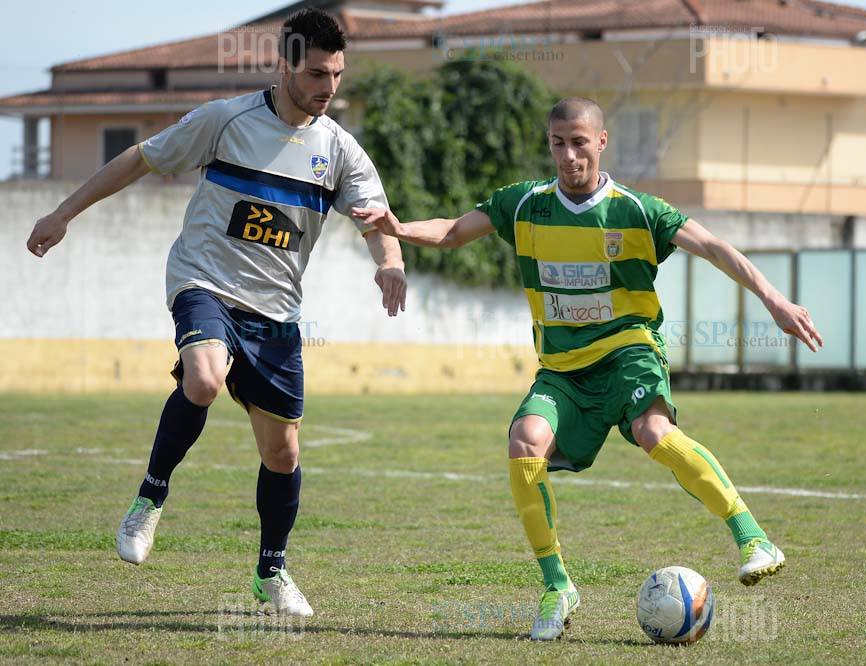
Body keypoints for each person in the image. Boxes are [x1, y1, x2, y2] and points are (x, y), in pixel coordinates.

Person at [352, 97, 823, 640]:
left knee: (654, 432)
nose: (568, 154)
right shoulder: (524, 204)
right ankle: (558, 586)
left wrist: (774, 301)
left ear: (601, 142)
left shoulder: (636, 210)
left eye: (579, 142)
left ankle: (752, 536)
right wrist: (399, 227)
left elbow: (714, 246)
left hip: (627, 351)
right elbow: (456, 231)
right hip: (562, 371)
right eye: (558, 142)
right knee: (524, 440)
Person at [25, 8, 406, 617]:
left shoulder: (340, 150)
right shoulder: (225, 120)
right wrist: (63, 213)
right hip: (203, 281)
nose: (327, 87)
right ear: (282, 66)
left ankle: (271, 572)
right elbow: (139, 158)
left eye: (336, 75)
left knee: (282, 454)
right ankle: (150, 498)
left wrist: (389, 261)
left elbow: (376, 222)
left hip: (276, 313)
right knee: (203, 379)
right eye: (314, 73)